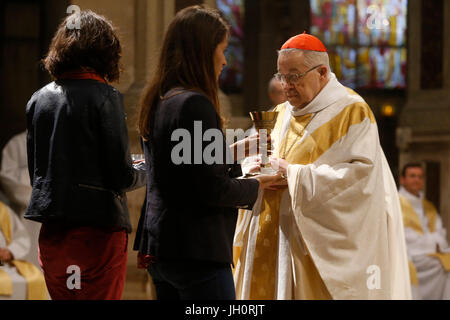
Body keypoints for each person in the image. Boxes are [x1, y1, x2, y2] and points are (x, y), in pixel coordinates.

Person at [233, 32, 412, 299]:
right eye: (282, 77)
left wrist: (294, 175)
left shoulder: (352, 111)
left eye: (294, 76)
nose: (286, 87)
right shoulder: (281, 113)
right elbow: (258, 155)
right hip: (270, 238)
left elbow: (361, 182)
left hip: (310, 250)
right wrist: (253, 166)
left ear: (322, 72)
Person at [134, 5, 282, 300]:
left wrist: (235, 151)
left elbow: (184, 168)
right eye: (223, 49)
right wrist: (257, 184)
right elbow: (210, 188)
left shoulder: (162, 99)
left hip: (163, 248)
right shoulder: (195, 105)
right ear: (203, 51)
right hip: (195, 252)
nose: (225, 61)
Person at [24, 10, 146, 300]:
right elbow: (121, 175)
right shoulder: (106, 96)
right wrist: (149, 168)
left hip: (54, 233)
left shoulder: (38, 100)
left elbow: (38, 174)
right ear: (106, 51)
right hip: (96, 234)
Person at [399, 163, 450, 300]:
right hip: (410, 255)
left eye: (420, 177)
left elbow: (441, 234)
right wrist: (432, 241)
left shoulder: (428, 206)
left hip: (429, 255)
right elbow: (404, 237)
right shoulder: (396, 203)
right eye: (412, 176)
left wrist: (430, 240)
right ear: (402, 179)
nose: (417, 180)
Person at [0, 131, 40, 268]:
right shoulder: (17, 143)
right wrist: (41, 186)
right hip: (27, 217)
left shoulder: (62, 141)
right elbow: (7, 178)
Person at [0, 200, 47, 300]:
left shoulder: (2, 210)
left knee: (36, 279)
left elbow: (21, 237)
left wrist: (10, 251)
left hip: (5, 265)